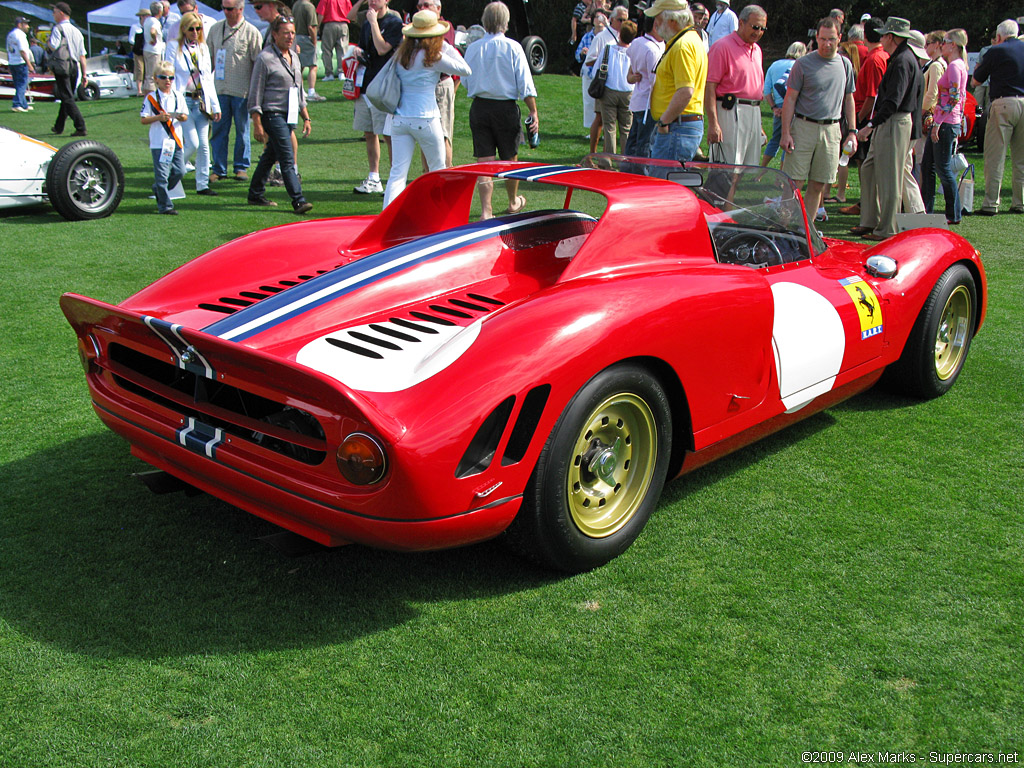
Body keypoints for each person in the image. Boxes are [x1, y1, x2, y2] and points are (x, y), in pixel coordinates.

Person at [382, 10, 470, 207]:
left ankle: (385, 219)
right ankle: (438, 219)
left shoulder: (401, 54)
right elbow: (465, 69)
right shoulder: (433, 56)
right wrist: (447, 47)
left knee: (397, 173)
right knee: (438, 170)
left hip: (400, 119)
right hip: (426, 119)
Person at [462, 0, 539, 218]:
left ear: (484, 22)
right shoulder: (513, 47)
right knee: (509, 159)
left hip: (480, 107)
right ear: (505, 23)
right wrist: (533, 111)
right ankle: (513, 201)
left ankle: (486, 209)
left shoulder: (474, 48)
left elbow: (466, 81)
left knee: (484, 160)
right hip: (506, 108)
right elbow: (525, 83)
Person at [850, 17, 923, 241]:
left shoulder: (903, 61)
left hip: (894, 122)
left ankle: (887, 229)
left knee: (891, 178)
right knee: (870, 168)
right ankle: (870, 220)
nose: (880, 39)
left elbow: (893, 101)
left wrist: (871, 125)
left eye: (883, 35)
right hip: (890, 121)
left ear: (891, 37)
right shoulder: (899, 58)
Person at [779, 17, 856, 221]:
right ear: (816, 37)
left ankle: (808, 230)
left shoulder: (845, 65)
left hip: (831, 130)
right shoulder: (803, 64)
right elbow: (790, 99)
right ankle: (785, 226)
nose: (827, 44)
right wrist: (785, 133)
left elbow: (849, 99)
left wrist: (852, 132)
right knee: (794, 182)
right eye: (822, 39)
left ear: (840, 38)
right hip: (804, 126)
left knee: (819, 183)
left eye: (831, 39)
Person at [247, 15, 313, 213]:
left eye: (292, 32)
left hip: (290, 114)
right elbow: (255, 92)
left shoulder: (294, 57)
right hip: (272, 113)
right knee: (286, 156)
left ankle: (255, 193)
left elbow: (299, 90)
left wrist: (306, 117)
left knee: (270, 155)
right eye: (285, 33)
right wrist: (257, 123)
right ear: (274, 35)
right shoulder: (265, 58)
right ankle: (298, 199)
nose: (290, 36)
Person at [349, 0, 404, 195]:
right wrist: (358, 51)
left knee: (388, 135)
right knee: (369, 132)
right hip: (366, 85)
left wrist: (373, 23)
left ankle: (394, 180)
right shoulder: (366, 23)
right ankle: (374, 178)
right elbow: (366, 48)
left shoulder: (394, 23)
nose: (373, 1)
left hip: (384, 88)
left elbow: (382, 49)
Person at [971, 19, 1024, 215]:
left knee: (995, 156)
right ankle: (1020, 202)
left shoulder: (996, 51)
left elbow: (977, 80)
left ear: (999, 36)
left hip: (1003, 103)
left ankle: (991, 203)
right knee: (1021, 159)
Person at [165, 12, 222, 196]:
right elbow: (169, 74)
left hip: (201, 101)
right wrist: (171, 103)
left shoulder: (203, 48)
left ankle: (202, 184)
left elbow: (208, 79)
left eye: (198, 28)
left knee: (204, 145)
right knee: (193, 143)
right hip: (183, 100)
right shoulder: (174, 46)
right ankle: (170, 174)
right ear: (183, 29)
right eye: (191, 28)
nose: (195, 32)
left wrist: (215, 105)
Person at [207, 0, 262, 182]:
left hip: (243, 91)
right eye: (223, 8)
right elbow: (209, 59)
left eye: (230, 9)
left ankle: (241, 167)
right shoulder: (215, 30)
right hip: (220, 89)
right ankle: (218, 168)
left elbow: (258, 64)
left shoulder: (252, 32)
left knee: (242, 130)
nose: (226, 12)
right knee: (219, 130)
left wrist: (256, 92)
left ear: (240, 9)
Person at [704, 4, 765, 166]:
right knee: (726, 168)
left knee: (746, 168)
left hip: (753, 112)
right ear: (741, 23)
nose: (758, 32)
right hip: (730, 112)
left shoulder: (757, 50)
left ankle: (731, 193)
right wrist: (713, 123)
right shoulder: (722, 47)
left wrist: (758, 125)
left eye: (762, 29)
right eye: (755, 27)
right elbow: (709, 87)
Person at [646, 0, 706, 163]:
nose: (656, 24)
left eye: (658, 18)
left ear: (672, 20)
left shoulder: (682, 46)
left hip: (676, 127)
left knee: (662, 182)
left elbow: (685, 91)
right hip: (679, 125)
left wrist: (664, 121)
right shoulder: (689, 40)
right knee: (669, 181)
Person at [838, 17, 887, 217]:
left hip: (866, 117)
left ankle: (866, 204)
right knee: (864, 162)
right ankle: (865, 203)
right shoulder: (879, 56)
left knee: (864, 163)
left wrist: (858, 119)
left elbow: (872, 96)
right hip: (868, 116)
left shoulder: (876, 59)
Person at [925, 29, 969, 225]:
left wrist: (938, 122)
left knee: (942, 169)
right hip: (947, 121)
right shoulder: (958, 66)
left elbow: (953, 98)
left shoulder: (954, 67)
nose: (941, 45)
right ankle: (928, 209)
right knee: (929, 166)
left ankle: (953, 213)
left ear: (954, 45)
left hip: (946, 123)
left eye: (945, 41)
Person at [413, 0, 459, 168]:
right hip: (423, 87)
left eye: (426, 5)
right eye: (419, 6)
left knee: (442, 135)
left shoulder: (444, 27)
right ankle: (428, 177)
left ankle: (445, 176)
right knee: (425, 134)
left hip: (439, 85)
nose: (422, 9)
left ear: (438, 9)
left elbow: (432, 56)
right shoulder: (417, 27)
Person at [141, 60, 190, 214]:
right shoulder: (151, 98)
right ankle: (165, 206)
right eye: (163, 77)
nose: (167, 81)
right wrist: (158, 118)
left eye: (171, 78)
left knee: (180, 171)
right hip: (159, 142)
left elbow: (185, 115)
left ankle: (158, 189)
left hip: (175, 140)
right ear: (156, 79)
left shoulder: (178, 96)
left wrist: (181, 117)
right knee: (162, 176)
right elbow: (143, 119)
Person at [623, 13, 663, 157]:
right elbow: (656, 81)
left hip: (639, 101)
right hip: (648, 103)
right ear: (655, 26)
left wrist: (633, 76)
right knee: (644, 144)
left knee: (633, 141)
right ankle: (639, 175)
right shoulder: (652, 50)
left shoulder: (637, 42)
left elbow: (631, 73)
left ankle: (628, 171)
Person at [761, 41, 805, 167]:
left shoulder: (774, 65)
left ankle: (761, 170)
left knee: (775, 139)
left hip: (778, 108)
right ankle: (782, 174)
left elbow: (766, 90)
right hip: (794, 108)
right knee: (790, 140)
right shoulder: (799, 65)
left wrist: (774, 107)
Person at [47, 2, 88, 136]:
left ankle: (80, 126)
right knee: (67, 96)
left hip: (63, 65)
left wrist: (48, 41)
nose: (53, 14)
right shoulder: (77, 31)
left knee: (67, 97)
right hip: (74, 66)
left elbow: (53, 46)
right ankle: (59, 126)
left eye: (55, 12)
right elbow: (82, 55)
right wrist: (84, 75)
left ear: (61, 13)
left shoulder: (58, 28)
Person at [598, 19, 635, 153]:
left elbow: (598, 68)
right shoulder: (634, 52)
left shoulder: (608, 49)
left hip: (609, 90)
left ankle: (608, 161)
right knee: (626, 129)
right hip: (628, 92)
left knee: (609, 127)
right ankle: (624, 161)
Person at [578, 13, 607, 136]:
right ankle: (592, 130)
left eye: (601, 17)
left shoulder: (608, 36)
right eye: (596, 17)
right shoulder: (587, 36)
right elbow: (578, 52)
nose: (598, 20)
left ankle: (604, 130)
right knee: (589, 102)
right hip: (589, 74)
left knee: (604, 104)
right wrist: (582, 53)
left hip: (603, 75)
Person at [292, 0, 325, 102]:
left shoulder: (296, 5)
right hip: (306, 38)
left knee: (299, 66)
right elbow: (311, 26)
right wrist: (314, 41)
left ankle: (300, 91)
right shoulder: (309, 6)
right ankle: (311, 91)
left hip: (296, 37)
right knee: (313, 66)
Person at [317, 0, 353, 82]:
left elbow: (321, 14)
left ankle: (329, 74)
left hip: (330, 25)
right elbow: (351, 15)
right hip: (343, 25)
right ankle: (342, 72)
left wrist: (318, 26)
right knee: (342, 50)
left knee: (327, 50)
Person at [7, 17, 35, 113]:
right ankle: (17, 104)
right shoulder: (21, 35)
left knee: (18, 84)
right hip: (20, 62)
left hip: (12, 62)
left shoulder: (10, 34)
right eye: (25, 24)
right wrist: (29, 64)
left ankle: (24, 104)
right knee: (22, 84)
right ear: (20, 25)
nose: (28, 26)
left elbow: (9, 50)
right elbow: (23, 51)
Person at [142, 0, 165, 94]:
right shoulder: (155, 21)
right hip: (154, 50)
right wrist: (155, 40)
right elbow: (153, 31)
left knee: (148, 75)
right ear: (160, 11)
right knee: (153, 75)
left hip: (146, 49)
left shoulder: (147, 20)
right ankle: (152, 97)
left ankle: (146, 96)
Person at [129, 8, 150, 97]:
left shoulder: (148, 26)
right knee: (139, 69)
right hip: (138, 51)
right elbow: (131, 39)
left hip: (147, 50)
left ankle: (146, 88)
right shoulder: (135, 27)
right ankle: (139, 90)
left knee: (147, 69)